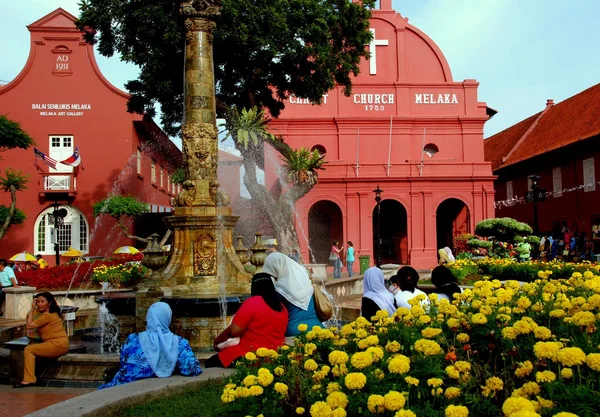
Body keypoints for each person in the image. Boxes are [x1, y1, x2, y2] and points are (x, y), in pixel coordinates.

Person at [100, 302, 201, 388]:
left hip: (124, 384)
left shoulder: (133, 339)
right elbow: (191, 368)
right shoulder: (180, 343)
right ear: (167, 319)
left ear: (149, 318)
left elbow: (123, 362)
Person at [207, 272, 288, 368]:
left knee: (210, 363)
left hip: (250, 353)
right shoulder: (282, 307)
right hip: (275, 354)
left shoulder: (253, 302)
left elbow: (234, 331)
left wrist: (217, 341)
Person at [13, 292, 69, 388]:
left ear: (49, 303)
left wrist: (33, 308)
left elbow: (29, 326)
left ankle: (29, 380)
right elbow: (31, 319)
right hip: (56, 343)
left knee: (28, 349)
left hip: (57, 344)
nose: (39, 304)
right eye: (37, 302)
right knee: (33, 348)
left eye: (42, 302)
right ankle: (33, 377)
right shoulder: (51, 313)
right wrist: (34, 308)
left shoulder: (47, 316)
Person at [263, 252, 323, 337]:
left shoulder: (280, 290)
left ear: (277, 268)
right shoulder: (305, 280)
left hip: (295, 334)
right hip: (318, 329)